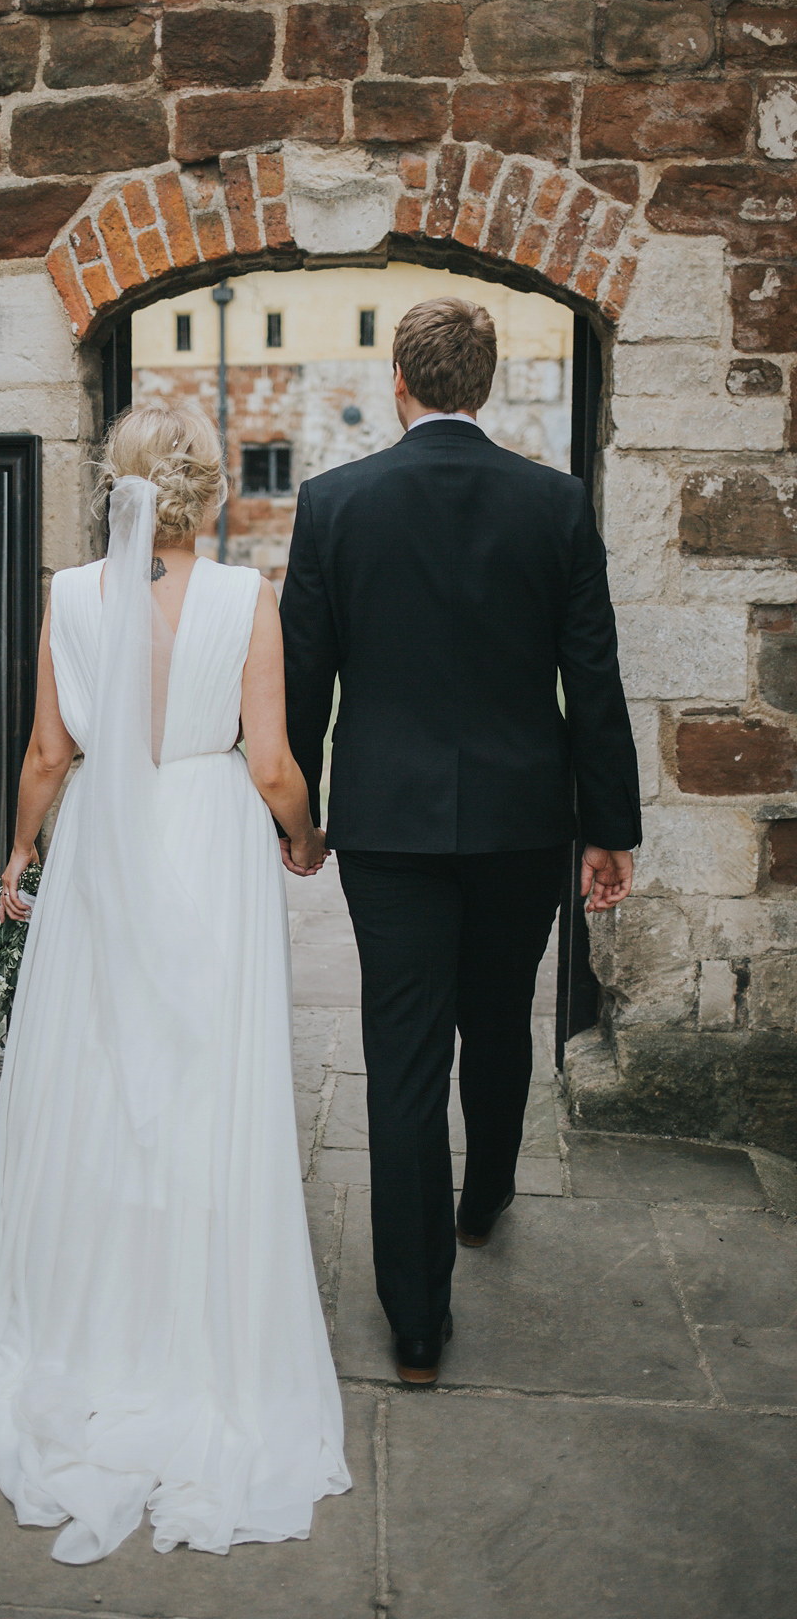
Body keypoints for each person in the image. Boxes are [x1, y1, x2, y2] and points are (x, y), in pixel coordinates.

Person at [0, 400, 350, 1561]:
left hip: (108, 850)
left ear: (114, 489)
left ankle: (83, 1312)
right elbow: (269, 764)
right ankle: (189, 1319)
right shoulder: (244, 599)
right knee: (203, 1076)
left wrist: (21, 852)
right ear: (208, 492)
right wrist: (304, 839)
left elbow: (49, 755)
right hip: (209, 844)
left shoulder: (70, 596)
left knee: (97, 1073)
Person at [280, 296, 640, 1388]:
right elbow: (594, 677)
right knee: (499, 1017)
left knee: (402, 1054)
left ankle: (418, 1321)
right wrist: (610, 827)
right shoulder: (555, 505)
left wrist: (293, 817)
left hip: (386, 826)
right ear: (483, 386)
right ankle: (484, 1199)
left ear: (400, 382)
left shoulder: (335, 504)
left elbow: (304, 679)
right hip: (523, 823)